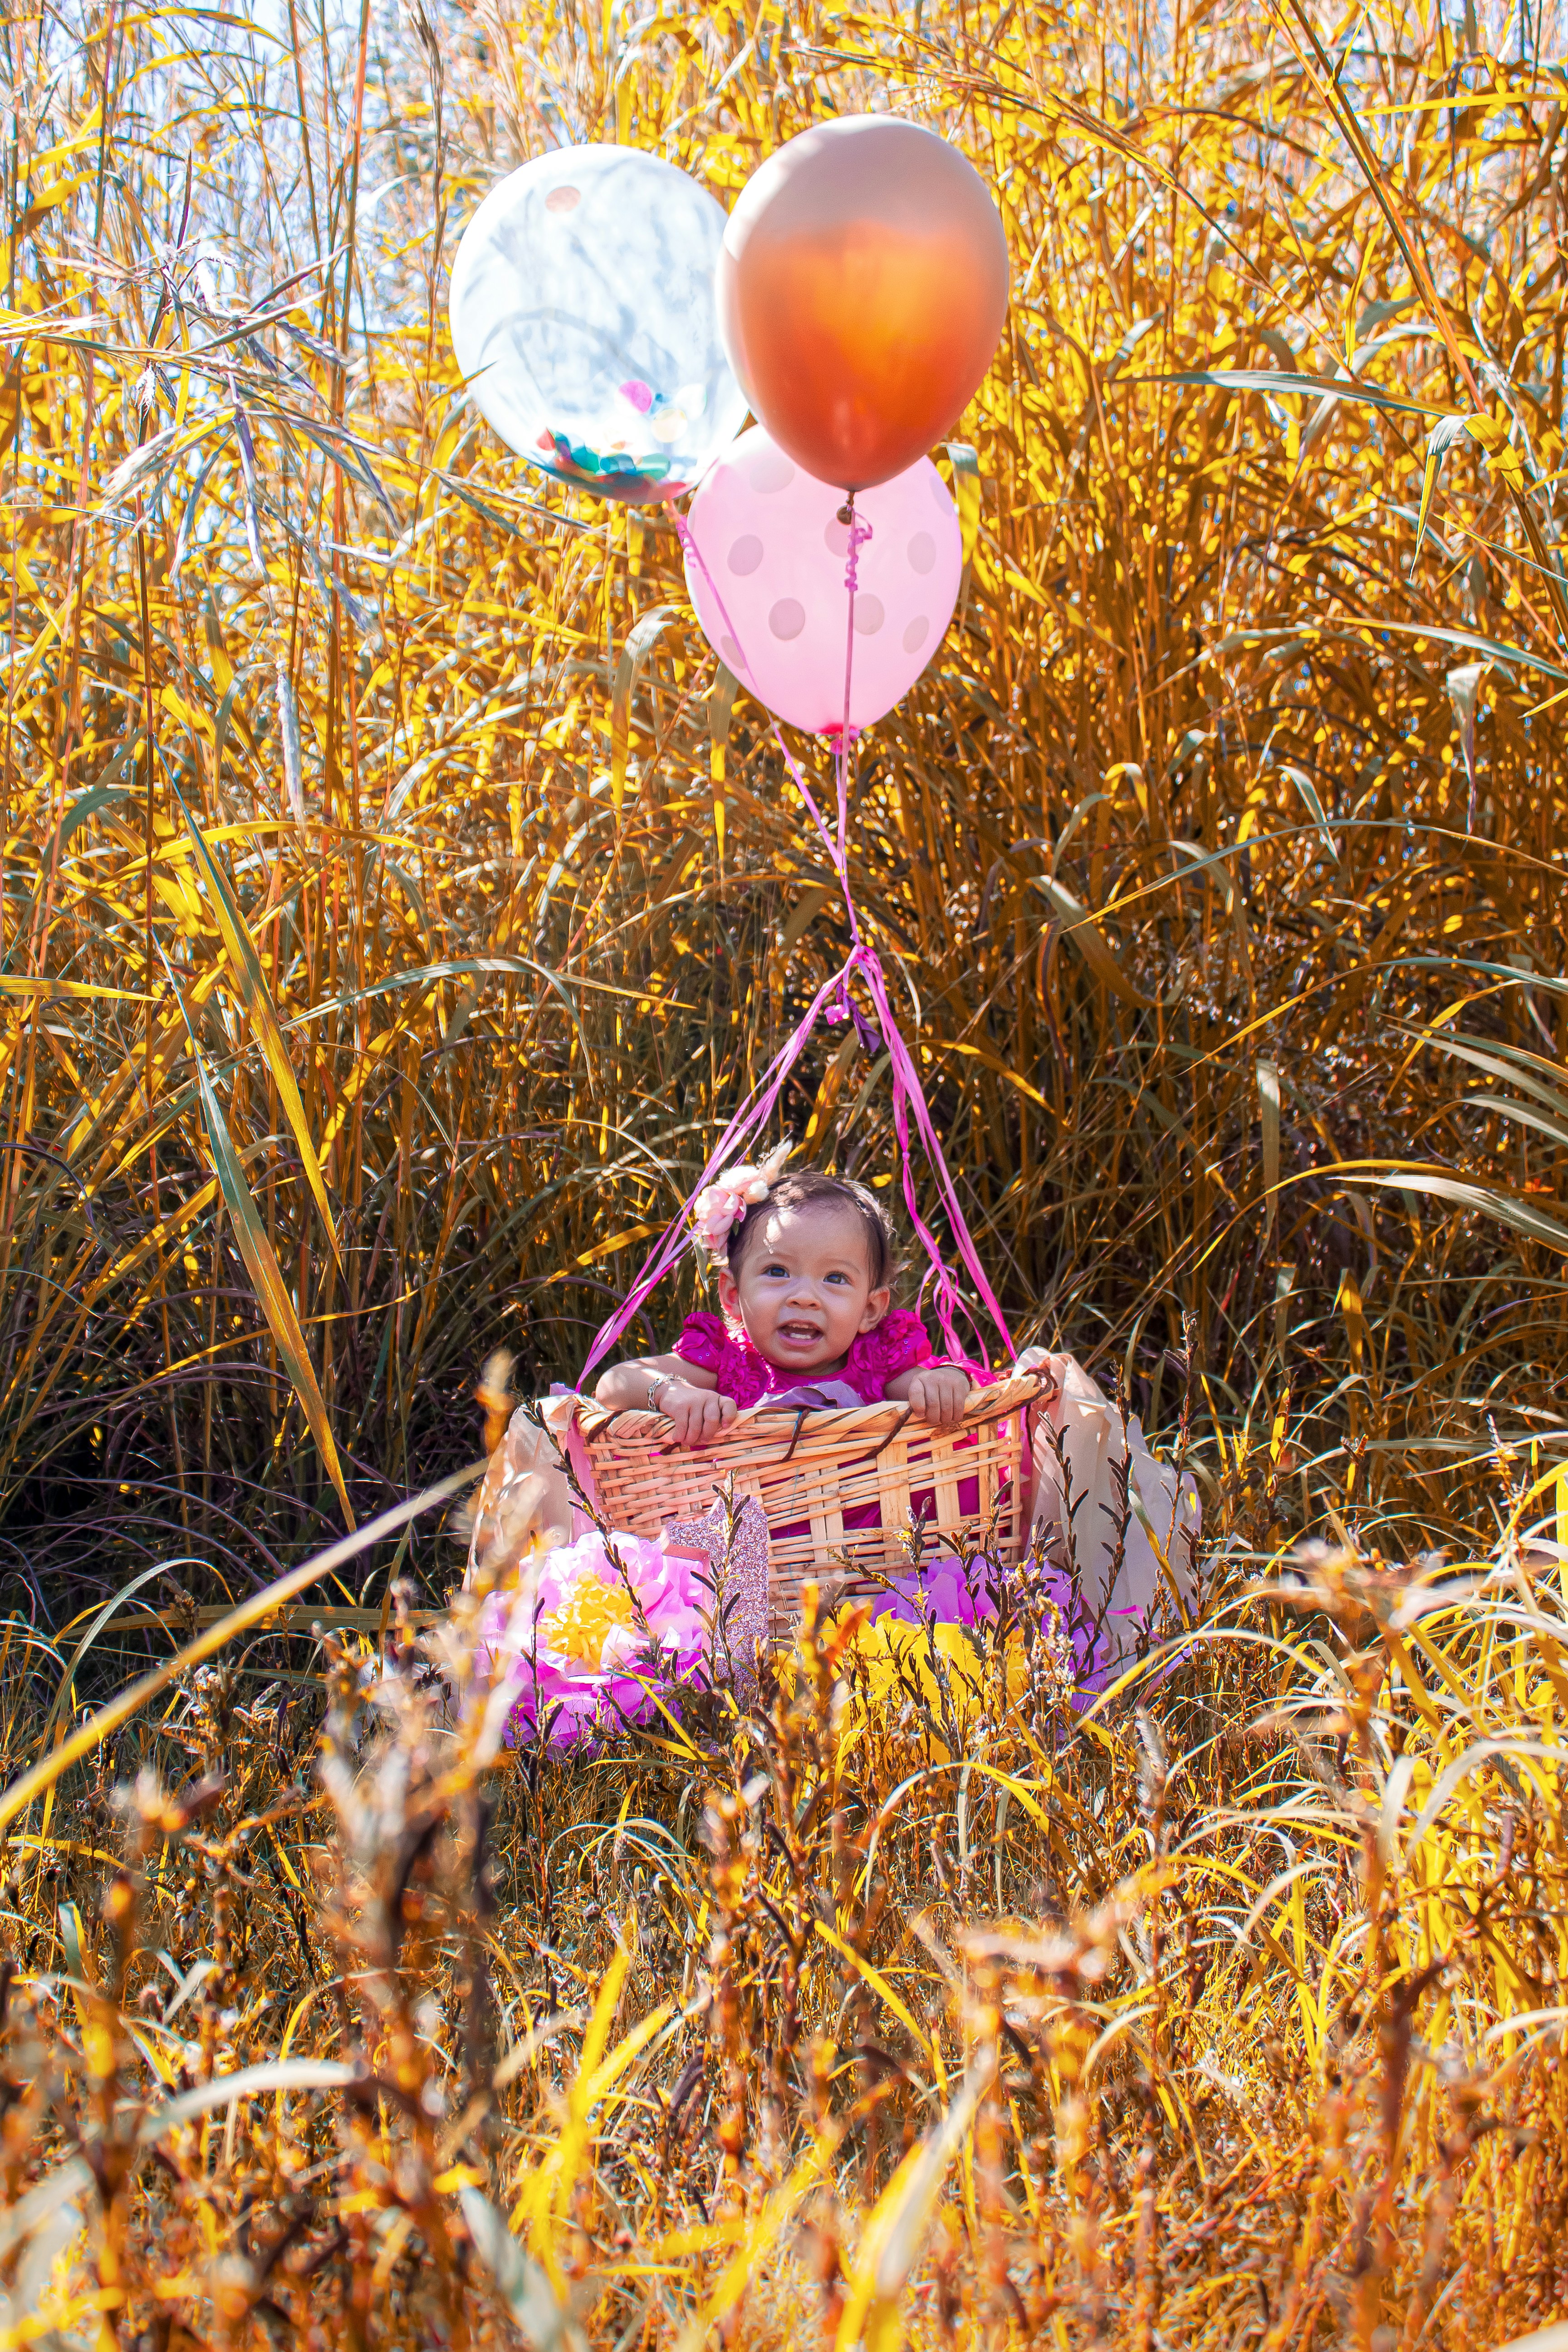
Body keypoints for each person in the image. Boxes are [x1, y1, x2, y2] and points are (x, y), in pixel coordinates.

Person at [592, 1156, 974, 1448]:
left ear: (871, 1310)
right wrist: (672, 1392)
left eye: (835, 1278)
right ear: (733, 1296)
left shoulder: (878, 1363)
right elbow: (615, 1383)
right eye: (777, 1272)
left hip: (871, 1541)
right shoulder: (730, 1364)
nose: (804, 1298)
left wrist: (947, 1380)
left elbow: (935, 1385)